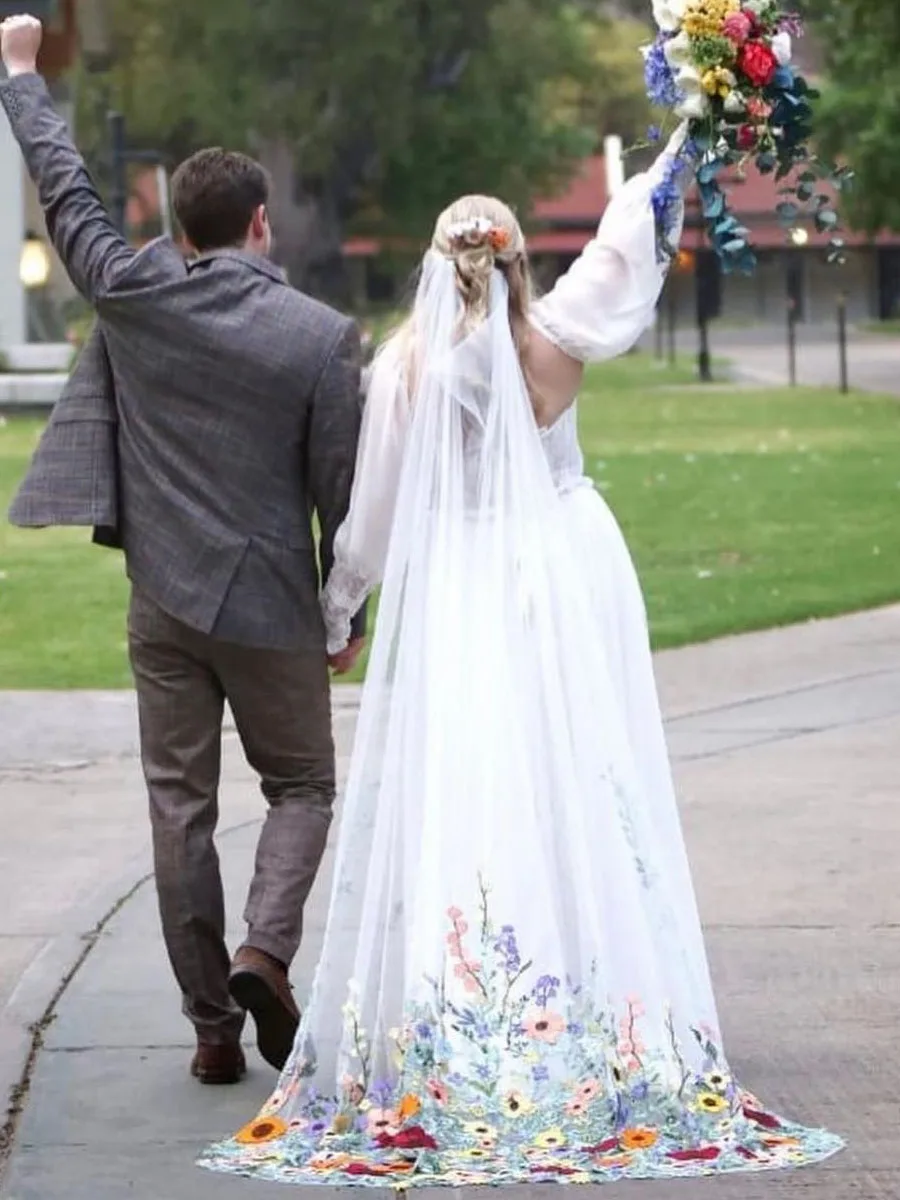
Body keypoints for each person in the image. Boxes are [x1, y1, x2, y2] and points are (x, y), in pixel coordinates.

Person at [199, 102, 844, 1183]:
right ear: (511, 262)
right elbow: (623, 244)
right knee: (577, 779)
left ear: (433, 264)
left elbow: (372, 515)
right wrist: (679, 143)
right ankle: (592, 987)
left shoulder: (403, 371)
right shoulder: (557, 342)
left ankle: (478, 1003)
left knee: (475, 783)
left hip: (462, 594)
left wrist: (340, 608)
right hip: (563, 578)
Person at [0, 14, 365, 1086]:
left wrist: (22, 75)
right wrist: (347, 621)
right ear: (260, 225)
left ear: (177, 226)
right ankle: (266, 949)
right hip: (271, 607)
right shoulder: (322, 337)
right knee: (301, 786)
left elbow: (64, 190)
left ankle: (212, 1029)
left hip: (161, 601)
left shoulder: (131, 291)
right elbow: (343, 505)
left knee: (179, 809)